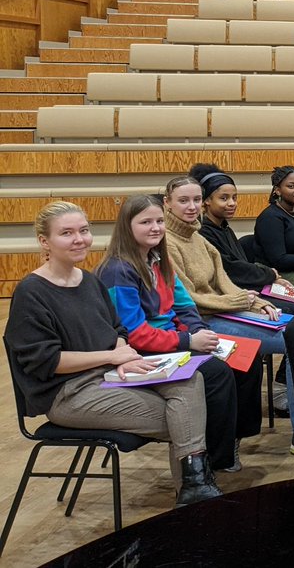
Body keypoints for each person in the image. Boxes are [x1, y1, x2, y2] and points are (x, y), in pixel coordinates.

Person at [5, 202, 222, 507]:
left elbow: (117, 329)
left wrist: (124, 353)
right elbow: (47, 361)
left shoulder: (90, 280)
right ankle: (195, 495)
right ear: (45, 241)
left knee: (189, 381)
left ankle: (194, 491)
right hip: (68, 393)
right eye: (67, 233)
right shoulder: (32, 292)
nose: (79, 239)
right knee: (185, 420)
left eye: (84, 230)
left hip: (108, 376)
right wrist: (110, 358)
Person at [162, 175, 294, 457]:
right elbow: (188, 298)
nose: (191, 207)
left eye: (195, 200)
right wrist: (239, 301)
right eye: (183, 201)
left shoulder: (198, 238)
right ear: (167, 204)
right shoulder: (168, 244)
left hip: (224, 310)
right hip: (201, 321)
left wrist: (256, 302)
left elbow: (225, 282)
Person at [94, 195, 252, 476]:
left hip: (172, 339)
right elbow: (134, 333)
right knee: (216, 374)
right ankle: (211, 459)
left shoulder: (158, 258)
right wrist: (189, 342)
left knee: (243, 358)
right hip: (139, 351)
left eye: (158, 221)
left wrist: (200, 332)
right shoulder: (118, 270)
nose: (155, 227)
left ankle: (229, 443)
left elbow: (184, 305)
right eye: (145, 222)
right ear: (126, 227)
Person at [190, 163, 294, 296]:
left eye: (234, 198)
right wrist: (270, 274)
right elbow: (231, 269)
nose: (232, 203)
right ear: (206, 200)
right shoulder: (203, 232)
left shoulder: (224, 228)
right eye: (224, 198)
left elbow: (241, 264)